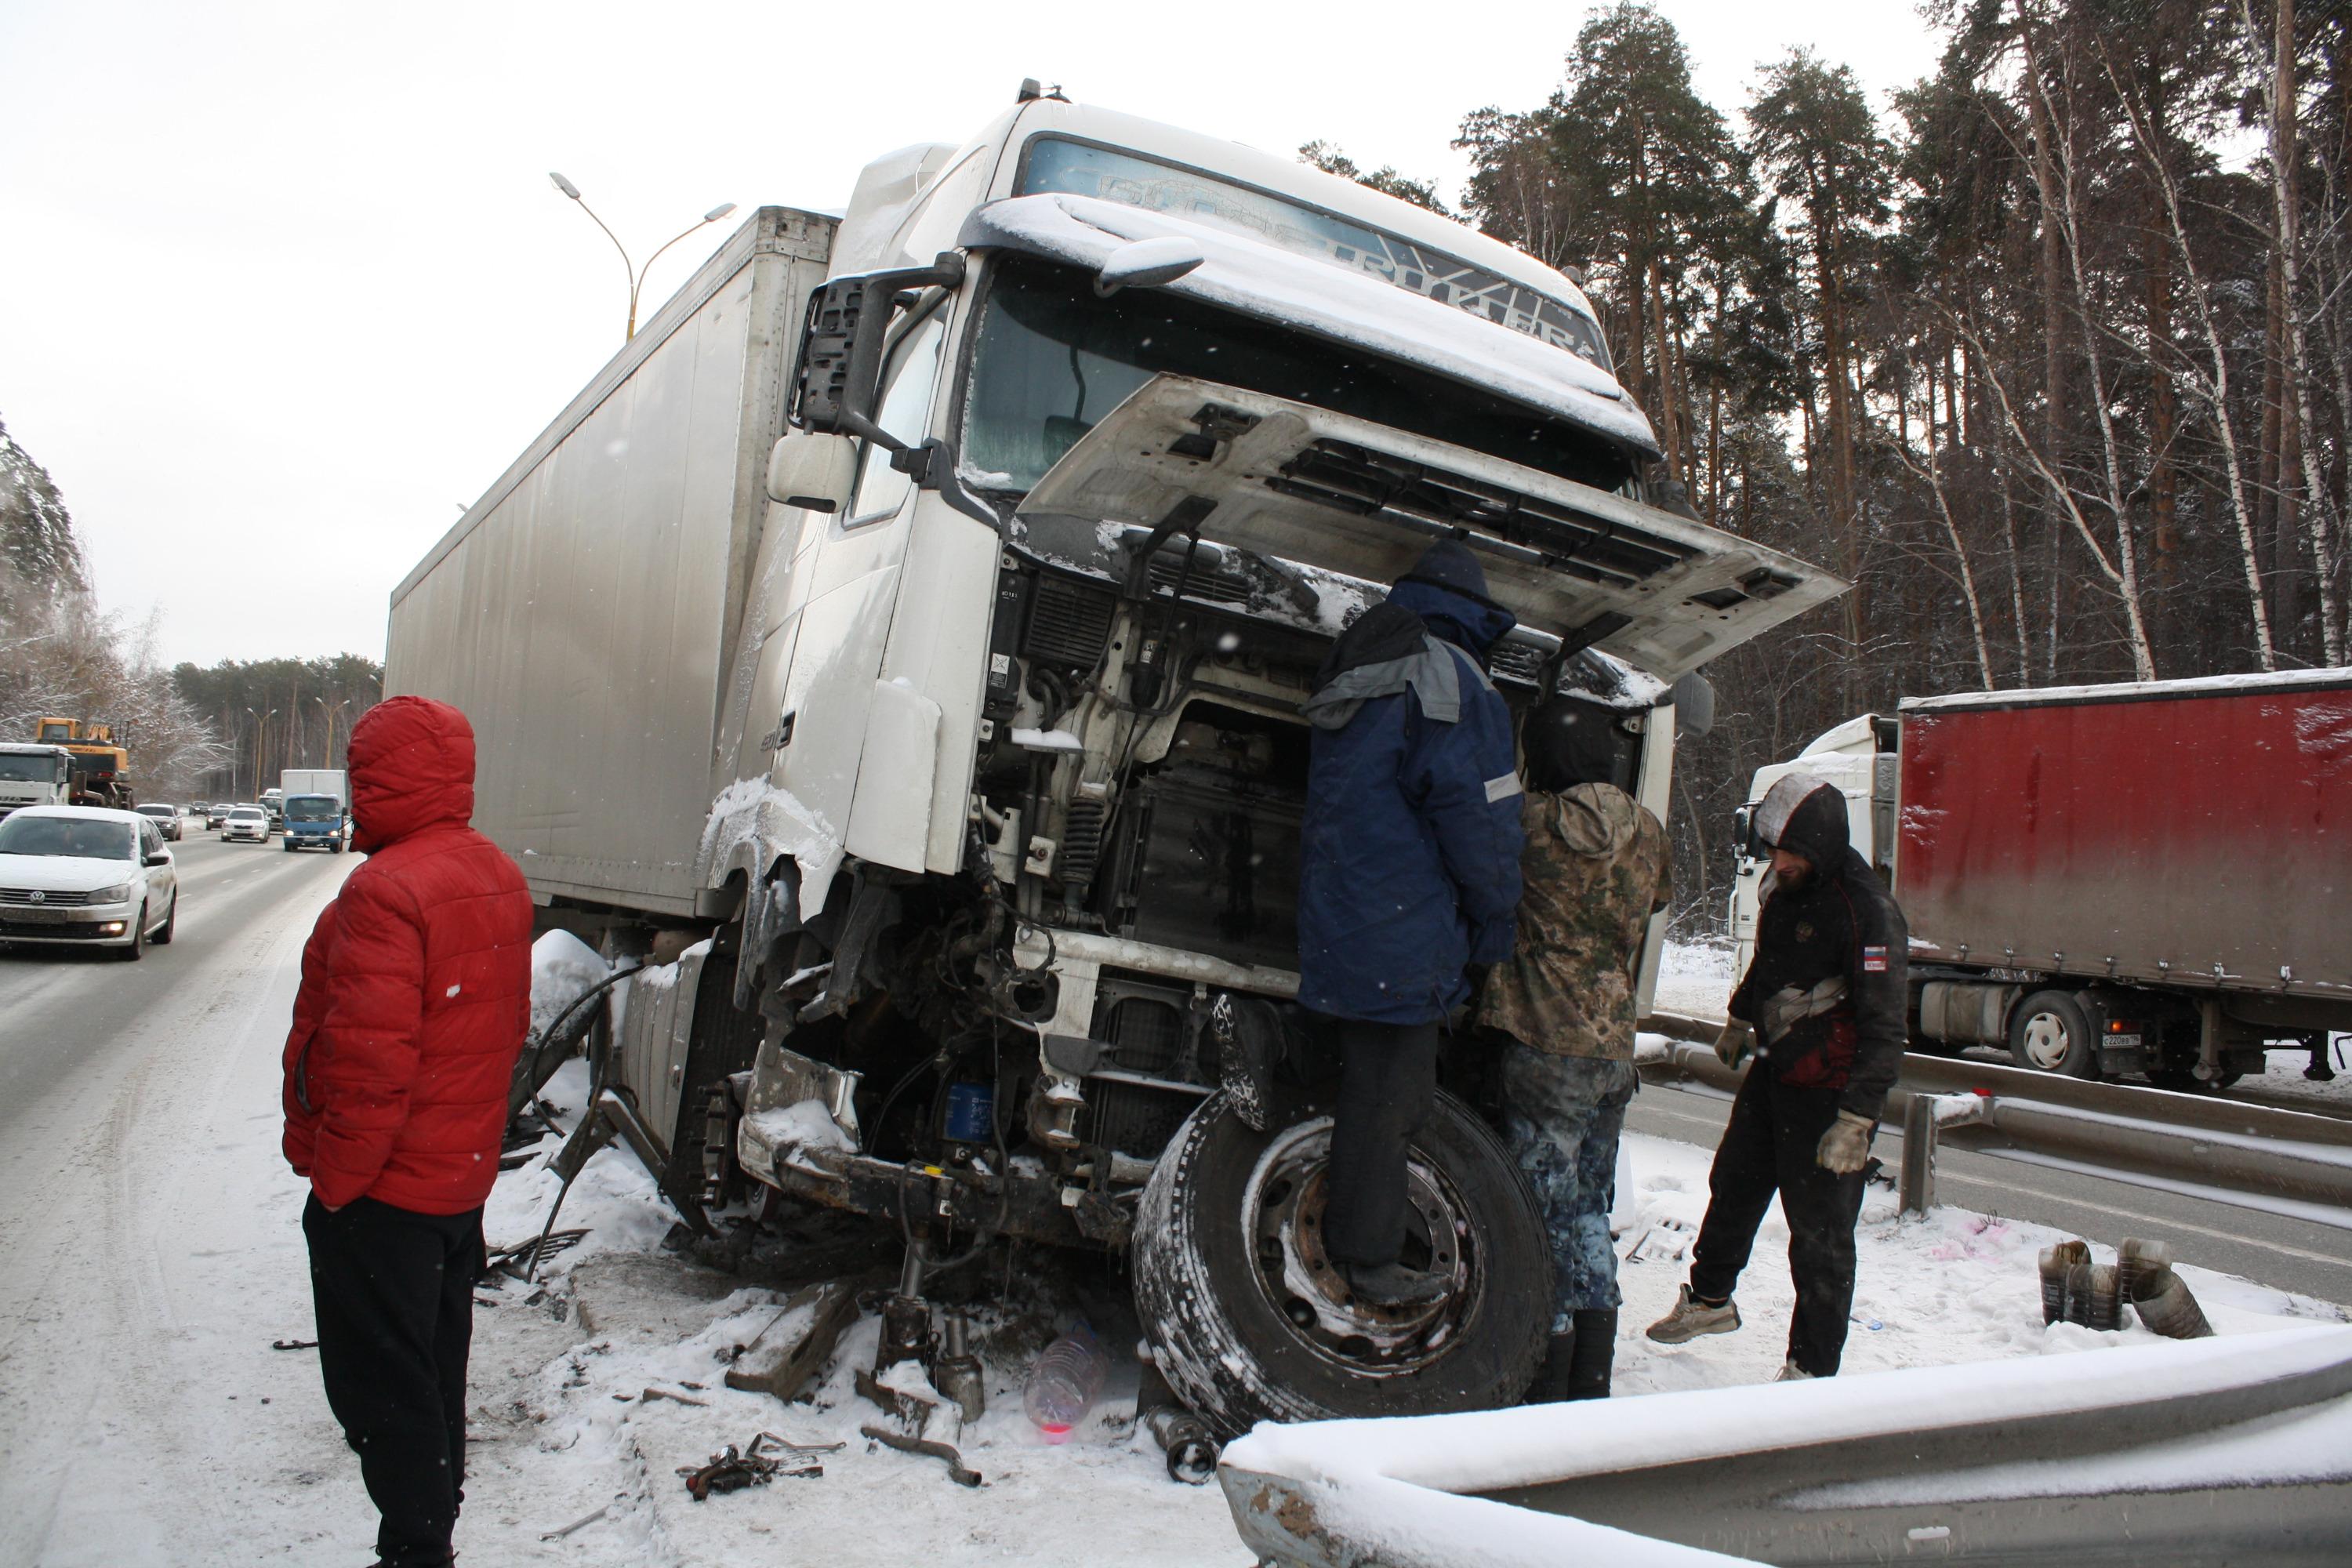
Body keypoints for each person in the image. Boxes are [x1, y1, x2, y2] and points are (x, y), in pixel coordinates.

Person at [281, 696, 533, 1568]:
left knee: (381, 1387)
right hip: (453, 1183)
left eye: (360, 775)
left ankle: (416, 1547)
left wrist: (336, 1186)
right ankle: (430, 1522)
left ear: (379, 779)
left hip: (385, 1190)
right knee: (431, 1370)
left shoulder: (388, 888)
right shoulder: (492, 870)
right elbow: (497, 1033)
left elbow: (367, 1066)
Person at [1298, 538, 1524, 1308]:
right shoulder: (1454, 680)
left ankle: (1349, 1226)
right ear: (1473, 614)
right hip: (1406, 933)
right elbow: (1483, 825)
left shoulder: (1361, 665)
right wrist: (1496, 928)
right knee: (1390, 1102)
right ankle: (1363, 1258)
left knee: (1357, 1083)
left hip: (1342, 920)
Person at [1646, 771, 1907, 1380]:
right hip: (1775, 1073)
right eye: (1773, 851)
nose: (1777, 862)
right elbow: (1771, 960)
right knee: (1733, 1184)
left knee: (1819, 1237)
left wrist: (1858, 1119)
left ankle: (1811, 1368)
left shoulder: (1867, 912)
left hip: (1830, 1093)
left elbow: (1886, 1024)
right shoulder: (1787, 891)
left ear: (1818, 846)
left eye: (1788, 852)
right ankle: (1710, 1301)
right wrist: (1739, 1018)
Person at [1477, 691, 1669, 1401]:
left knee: (1537, 1214)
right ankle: (1592, 1375)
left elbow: (1479, 823)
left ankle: (1543, 1376)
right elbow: (1654, 900)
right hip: (1613, 1052)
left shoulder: (1535, 824)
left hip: (1545, 1042)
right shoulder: (1648, 831)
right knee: (1588, 1208)